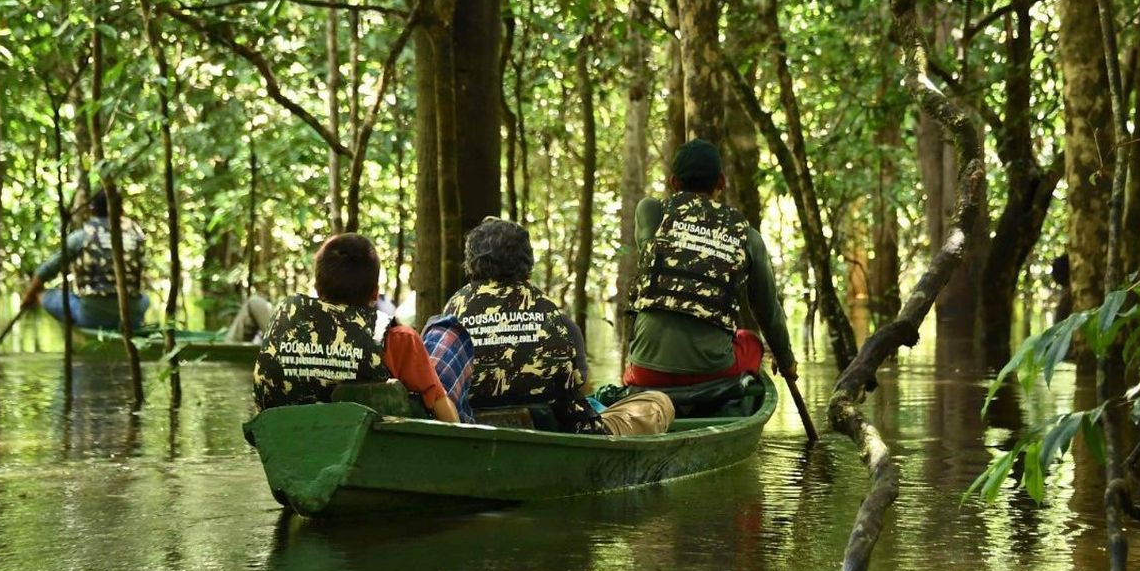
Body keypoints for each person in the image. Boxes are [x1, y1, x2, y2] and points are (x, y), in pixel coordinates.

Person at [425, 218, 673, 436]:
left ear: (470, 263)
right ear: (527, 265)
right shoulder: (553, 316)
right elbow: (574, 396)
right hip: (559, 434)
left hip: (472, 437)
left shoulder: (450, 314)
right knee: (658, 402)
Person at [624, 138, 797, 388]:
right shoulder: (747, 236)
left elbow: (651, 253)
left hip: (645, 371)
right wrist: (786, 359)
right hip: (712, 371)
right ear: (721, 182)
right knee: (750, 341)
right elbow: (767, 310)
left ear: (673, 182)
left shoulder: (652, 212)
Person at [253, 233, 459, 423]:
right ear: (375, 293)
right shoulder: (399, 338)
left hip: (287, 437)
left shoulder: (283, 321)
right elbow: (444, 412)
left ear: (317, 289)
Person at [19, 191, 149, 330]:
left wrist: (29, 296)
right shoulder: (136, 235)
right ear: (121, 210)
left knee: (46, 295)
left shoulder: (82, 237)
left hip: (92, 316)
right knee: (146, 299)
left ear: (91, 210)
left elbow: (45, 271)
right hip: (132, 316)